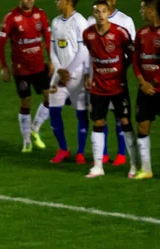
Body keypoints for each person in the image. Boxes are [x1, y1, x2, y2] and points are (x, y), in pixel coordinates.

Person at [83, 0, 137, 178]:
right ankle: (98, 166)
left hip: (118, 86)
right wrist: (88, 75)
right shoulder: (88, 34)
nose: (100, 15)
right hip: (98, 87)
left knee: (125, 122)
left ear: (108, 13)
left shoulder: (120, 32)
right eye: (97, 12)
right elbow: (89, 55)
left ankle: (134, 165)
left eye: (103, 11)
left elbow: (132, 53)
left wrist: (122, 68)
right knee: (98, 123)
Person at [0, 0, 52, 152]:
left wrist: (52, 60)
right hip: (22, 70)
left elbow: (47, 39)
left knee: (50, 98)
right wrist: (3, 67)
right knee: (25, 103)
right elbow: (0, 44)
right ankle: (27, 140)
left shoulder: (40, 14)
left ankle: (35, 128)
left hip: (40, 67)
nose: (29, 1)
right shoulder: (11, 17)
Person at [132, 0, 160, 180]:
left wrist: (155, 82)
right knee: (143, 125)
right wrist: (143, 82)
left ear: (151, 10)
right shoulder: (141, 33)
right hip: (145, 88)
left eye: (143, 9)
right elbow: (136, 60)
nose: (141, 12)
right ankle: (146, 169)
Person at [48, 0, 90, 164]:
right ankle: (63, 149)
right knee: (53, 111)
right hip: (59, 76)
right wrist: (59, 70)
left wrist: (69, 71)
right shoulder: (56, 21)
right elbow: (52, 49)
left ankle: (80, 152)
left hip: (77, 75)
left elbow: (84, 50)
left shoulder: (80, 21)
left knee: (81, 113)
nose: (56, 2)